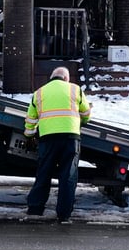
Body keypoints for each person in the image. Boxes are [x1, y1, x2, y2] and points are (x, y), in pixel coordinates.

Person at [23, 66, 91, 223]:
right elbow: (86, 114)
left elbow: (31, 118)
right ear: (66, 78)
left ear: (51, 78)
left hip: (47, 139)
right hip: (70, 138)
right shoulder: (76, 90)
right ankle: (64, 213)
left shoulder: (39, 92)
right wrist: (81, 122)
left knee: (44, 173)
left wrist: (29, 135)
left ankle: (35, 208)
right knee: (68, 177)